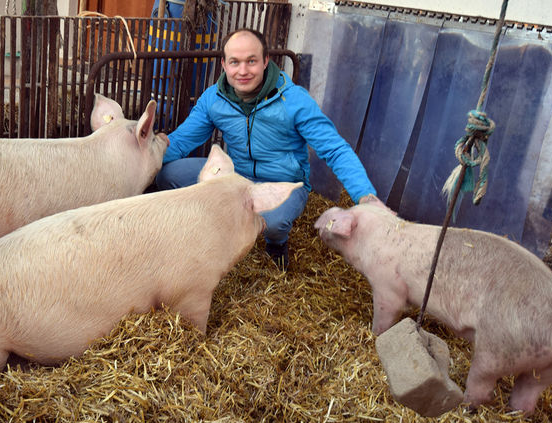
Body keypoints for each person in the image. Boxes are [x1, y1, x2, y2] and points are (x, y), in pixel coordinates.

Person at [155, 28, 383, 269]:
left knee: (271, 222)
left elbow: (335, 150)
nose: (242, 71)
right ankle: (206, 226)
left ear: (265, 61)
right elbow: (181, 142)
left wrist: (365, 196)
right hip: (235, 176)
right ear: (223, 64)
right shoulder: (214, 99)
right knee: (168, 175)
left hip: (283, 183)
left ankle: (276, 245)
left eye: (251, 61)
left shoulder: (294, 101)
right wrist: (149, 154)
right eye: (235, 62)